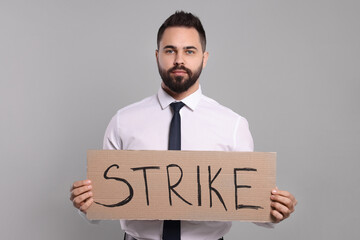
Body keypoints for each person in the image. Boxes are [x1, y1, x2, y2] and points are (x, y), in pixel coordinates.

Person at [70, 11, 297, 240]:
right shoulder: (123, 121)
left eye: (189, 51)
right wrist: (86, 204)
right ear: (157, 56)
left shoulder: (233, 125)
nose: (179, 60)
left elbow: (247, 201)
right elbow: (102, 205)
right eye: (170, 51)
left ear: (204, 58)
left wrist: (275, 211)